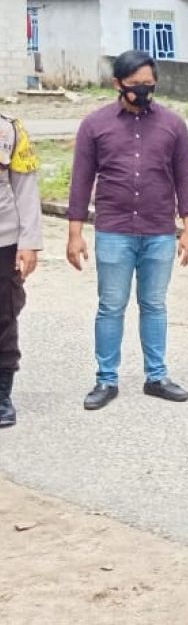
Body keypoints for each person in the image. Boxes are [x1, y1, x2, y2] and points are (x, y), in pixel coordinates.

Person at [67, 50, 188, 411]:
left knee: (154, 305)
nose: (143, 90)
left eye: (148, 84)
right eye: (135, 85)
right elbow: (80, 182)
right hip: (114, 230)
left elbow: (185, 178)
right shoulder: (95, 125)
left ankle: (157, 376)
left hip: (159, 229)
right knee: (111, 306)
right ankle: (105, 380)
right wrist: (74, 234)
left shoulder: (173, 125)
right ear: (118, 84)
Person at [0, 115, 42, 428]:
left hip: (4, 240)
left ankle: (2, 394)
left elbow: (25, 188)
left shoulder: (10, 130)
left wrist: (29, 243)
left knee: (4, 315)